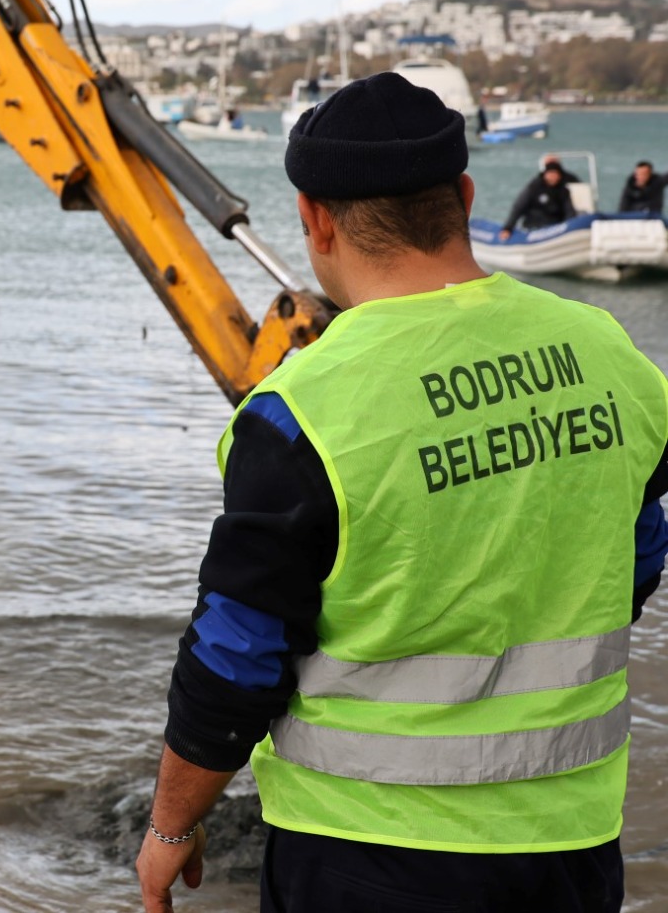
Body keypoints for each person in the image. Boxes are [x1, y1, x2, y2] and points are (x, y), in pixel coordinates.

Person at [135, 71, 668, 913]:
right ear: (462, 194)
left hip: (366, 852)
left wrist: (170, 827)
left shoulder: (301, 414)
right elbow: (636, 550)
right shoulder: (608, 355)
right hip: (569, 840)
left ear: (314, 219)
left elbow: (238, 655)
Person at [499, 157, 577, 237]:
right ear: (545, 174)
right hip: (534, 225)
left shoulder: (563, 191)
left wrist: (570, 227)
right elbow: (518, 207)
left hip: (554, 226)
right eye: (550, 173)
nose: (553, 176)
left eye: (555, 173)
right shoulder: (534, 188)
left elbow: (569, 210)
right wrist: (508, 228)